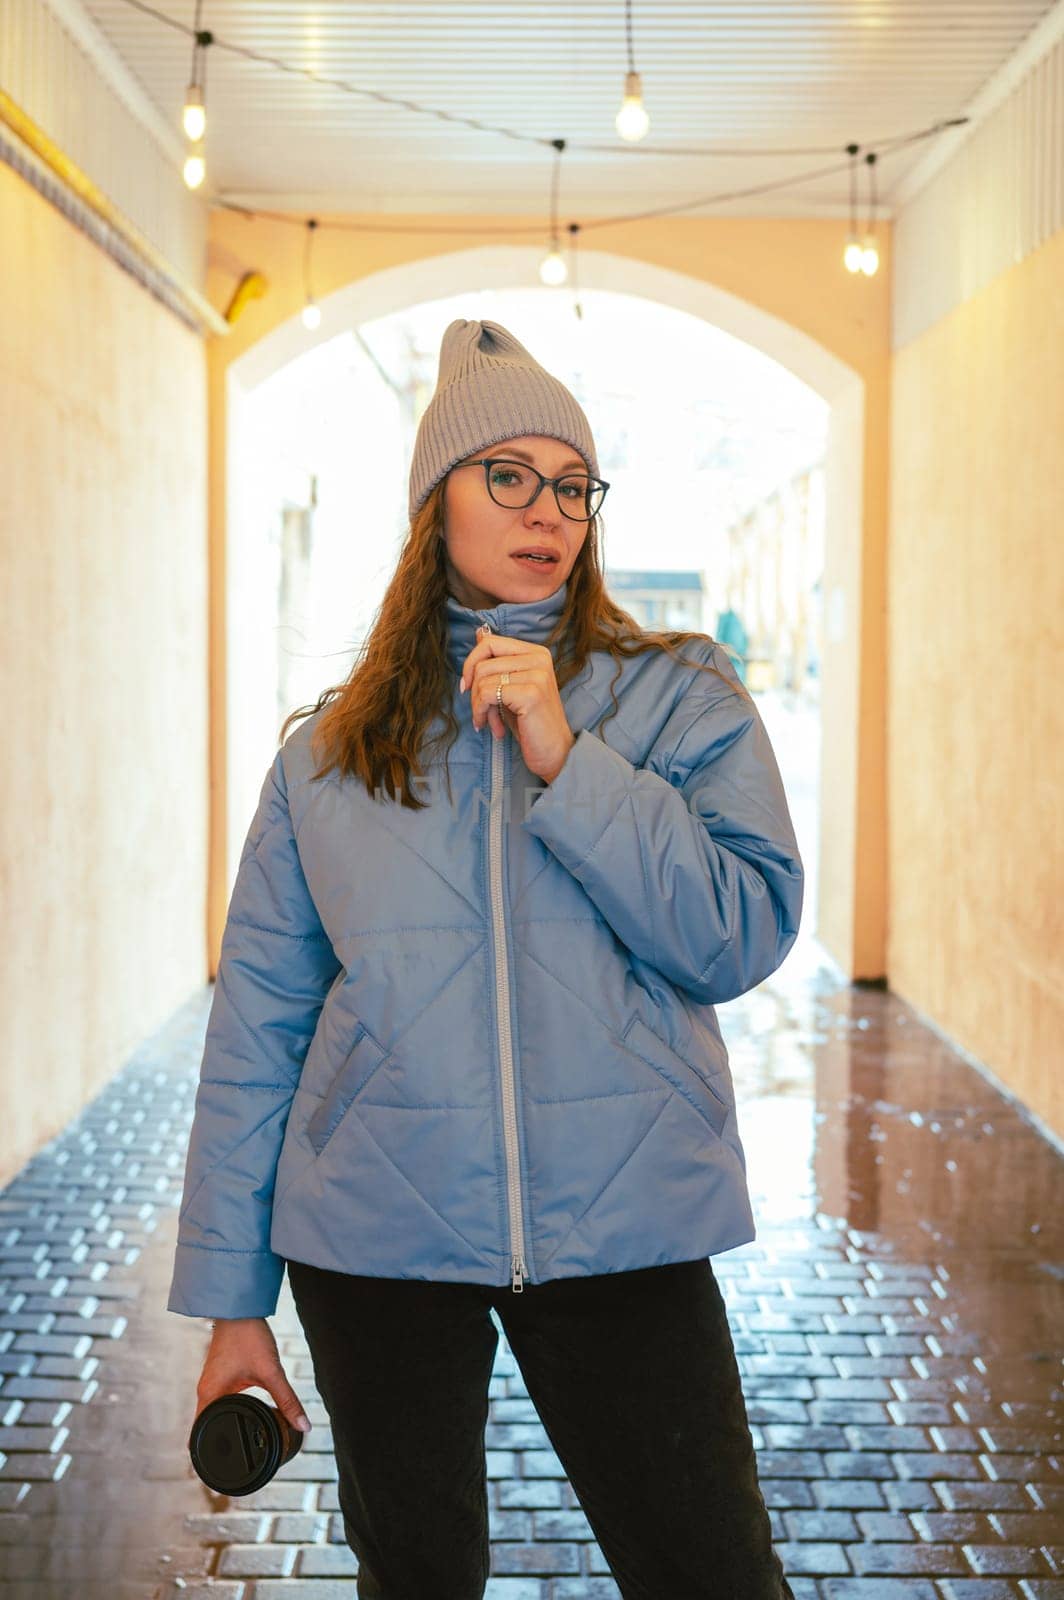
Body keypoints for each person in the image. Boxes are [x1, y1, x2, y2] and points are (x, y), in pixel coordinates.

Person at [168, 318, 803, 1600]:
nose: (546, 510)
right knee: (416, 1579)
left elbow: (736, 931)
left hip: (628, 1219)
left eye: (569, 482)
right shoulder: (328, 754)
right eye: (505, 474)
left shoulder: (678, 694)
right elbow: (260, 1030)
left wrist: (572, 758)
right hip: (376, 1237)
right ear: (433, 505)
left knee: (710, 1572)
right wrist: (234, 1305)